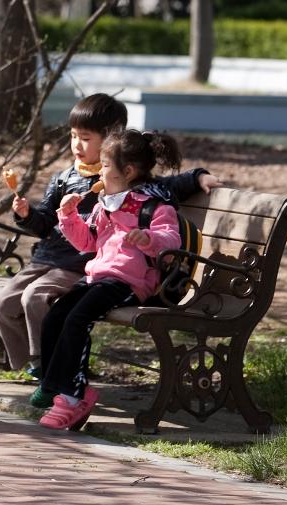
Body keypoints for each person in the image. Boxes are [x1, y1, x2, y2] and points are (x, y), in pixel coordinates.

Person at [0, 94, 217, 409]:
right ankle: (41, 368)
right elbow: (57, 226)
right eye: (73, 137)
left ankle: (52, 374)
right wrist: (33, 214)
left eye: (85, 138)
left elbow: (168, 195)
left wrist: (198, 176)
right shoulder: (70, 180)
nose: (77, 145)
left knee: (46, 304)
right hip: (59, 260)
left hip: (92, 270)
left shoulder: (131, 186)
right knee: (3, 303)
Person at [36, 128, 187, 431]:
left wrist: (147, 238)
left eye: (105, 165)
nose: (99, 171)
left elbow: (171, 243)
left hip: (129, 282)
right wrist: (69, 216)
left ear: (127, 171)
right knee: (57, 314)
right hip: (97, 277)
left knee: (78, 319)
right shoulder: (107, 204)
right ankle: (54, 385)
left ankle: (73, 395)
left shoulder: (154, 206)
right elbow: (87, 243)